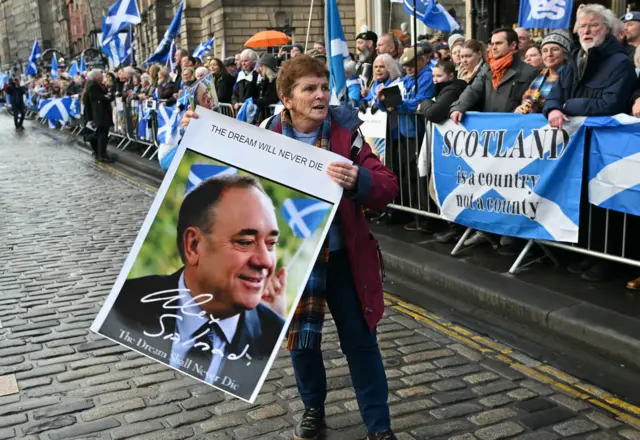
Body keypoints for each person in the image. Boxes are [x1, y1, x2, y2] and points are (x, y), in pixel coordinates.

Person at [181, 55, 400, 440]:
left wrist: (358, 179)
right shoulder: (265, 135)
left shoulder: (348, 134)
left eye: (324, 87)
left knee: (361, 344)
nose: (320, 96)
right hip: (293, 260)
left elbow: (387, 186)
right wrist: (195, 132)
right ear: (286, 98)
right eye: (309, 89)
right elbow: (220, 169)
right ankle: (313, 408)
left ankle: (379, 427)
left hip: (344, 260)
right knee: (302, 344)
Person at [99, 175, 286, 399]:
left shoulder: (273, 334)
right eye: (245, 242)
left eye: (271, 244)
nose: (265, 261)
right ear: (194, 245)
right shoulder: (124, 301)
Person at [544, 4, 637, 282]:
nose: (586, 30)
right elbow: (554, 93)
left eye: (593, 25)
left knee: (608, 202)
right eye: (582, 26)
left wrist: (568, 106)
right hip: (576, 144)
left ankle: (608, 260)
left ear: (606, 30)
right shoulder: (575, 57)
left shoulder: (619, 62)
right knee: (583, 199)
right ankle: (588, 252)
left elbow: (611, 103)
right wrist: (553, 109)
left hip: (607, 146)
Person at [418, 61, 467, 244]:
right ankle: (454, 226)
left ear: (451, 75)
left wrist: (425, 104)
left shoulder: (452, 89)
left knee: (438, 188)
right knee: (437, 188)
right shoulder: (442, 90)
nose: (435, 80)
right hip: (447, 148)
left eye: (439, 76)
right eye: (433, 76)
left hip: (455, 149)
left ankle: (456, 227)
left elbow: (435, 113)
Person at [516, 33, 571, 114]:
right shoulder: (540, 76)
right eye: (545, 51)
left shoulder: (571, 76)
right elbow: (527, 100)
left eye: (555, 49)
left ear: (565, 54)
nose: (549, 54)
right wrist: (522, 108)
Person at [84, 69, 114, 163]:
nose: (102, 76)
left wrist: (108, 96)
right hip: (99, 115)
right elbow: (98, 98)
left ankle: (101, 154)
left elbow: (107, 97)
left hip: (102, 114)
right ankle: (101, 155)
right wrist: (106, 96)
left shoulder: (99, 85)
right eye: (101, 75)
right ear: (96, 77)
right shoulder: (93, 86)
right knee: (101, 136)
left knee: (103, 135)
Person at [254, 53, 279, 121]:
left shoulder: (276, 81)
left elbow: (271, 99)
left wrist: (255, 101)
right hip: (265, 115)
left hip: (272, 116)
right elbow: (254, 93)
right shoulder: (265, 80)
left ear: (266, 67)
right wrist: (255, 76)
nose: (259, 69)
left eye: (261, 66)